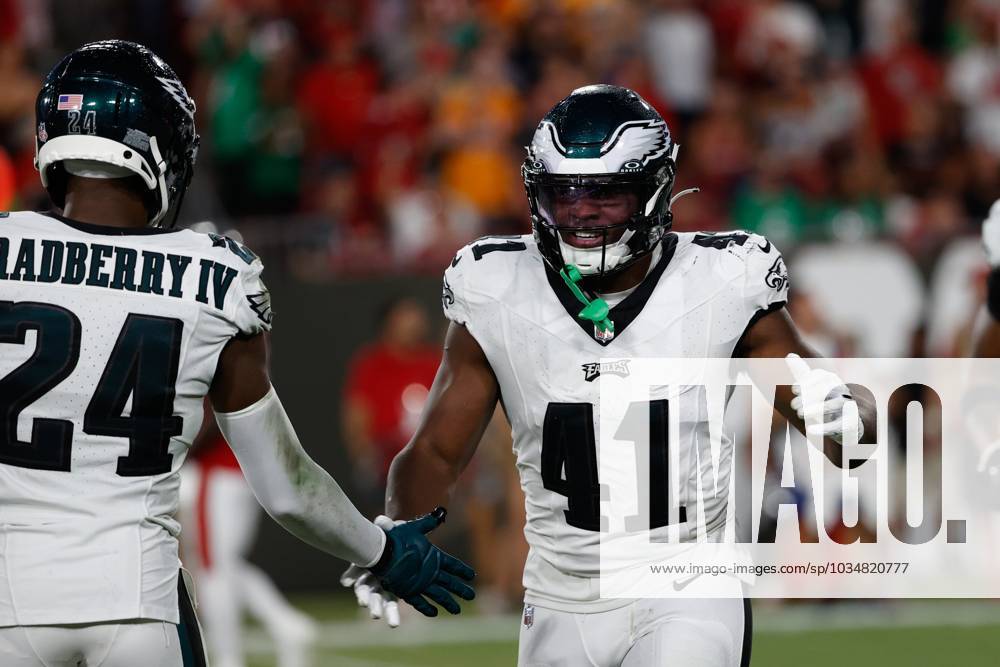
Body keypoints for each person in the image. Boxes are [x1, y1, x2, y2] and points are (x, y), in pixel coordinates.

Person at [347, 84, 873, 665]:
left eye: (606, 193)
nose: (581, 212)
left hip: (687, 581)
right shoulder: (495, 287)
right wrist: (393, 534)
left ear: (653, 191)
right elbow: (436, 453)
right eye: (562, 194)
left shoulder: (722, 279)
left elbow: (838, 420)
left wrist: (846, 420)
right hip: (560, 594)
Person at [0, 40, 473, 667]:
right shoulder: (215, 278)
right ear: (160, 148)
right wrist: (381, 550)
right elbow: (286, 488)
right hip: (137, 604)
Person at [182, 405, 317, 667]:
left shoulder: (211, 365)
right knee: (225, 564)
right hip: (244, 469)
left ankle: (228, 658)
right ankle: (287, 625)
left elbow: (211, 410)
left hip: (218, 468)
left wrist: (182, 448)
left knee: (213, 568)